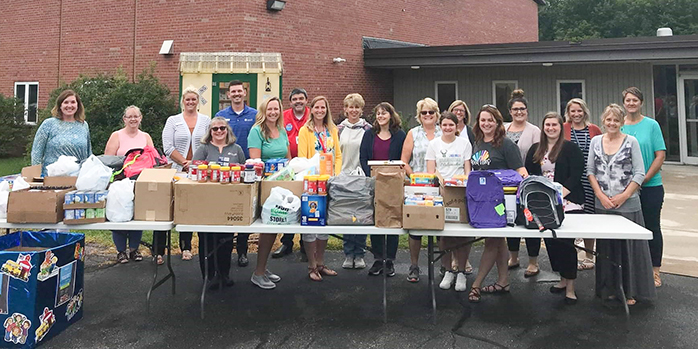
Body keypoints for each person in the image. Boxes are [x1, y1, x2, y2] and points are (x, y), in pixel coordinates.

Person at [588, 104, 656, 305]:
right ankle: (608, 289)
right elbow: (591, 170)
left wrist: (624, 196)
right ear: (603, 121)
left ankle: (629, 291)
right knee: (607, 249)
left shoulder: (631, 142)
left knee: (628, 249)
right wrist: (600, 195)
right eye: (609, 120)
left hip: (627, 205)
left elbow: (639, 173)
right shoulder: (595, 141)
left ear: (622, 122)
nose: (612, 123)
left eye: (616, 120)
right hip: (603, 204)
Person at [468, 105, 527, 303]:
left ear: (498, 123)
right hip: (481, 203)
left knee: (492, 240)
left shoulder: (506, 145)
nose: (486, 124)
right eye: (483, 120)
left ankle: (476, 284)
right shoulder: (478, 142)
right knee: (498, 241)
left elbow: (521, 172)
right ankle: (503, 281)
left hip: (500, 204)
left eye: (490, 120)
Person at [525, 112, 585, 304]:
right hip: (544, 204)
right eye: (547, 125)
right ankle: (561, 279)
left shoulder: (570, 148)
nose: (551, 128)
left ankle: (571, 287)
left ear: (561, 127)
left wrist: (559, 195)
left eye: (554, 125)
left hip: (568, 200)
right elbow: (531, 176)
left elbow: (576, 175)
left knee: (566, 244)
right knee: (551, 242)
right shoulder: (536, 149)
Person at [620, 87, 667, 288]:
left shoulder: (651, 125)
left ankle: (654, 271)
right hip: (623, 189)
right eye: (628, 100)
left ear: (641, 103)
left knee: (651, 227)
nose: (631, 103)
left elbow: (660, 154)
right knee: (627, 230)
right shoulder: (618, 125)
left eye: (635, 100)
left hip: (650, 186)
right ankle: (630, 269)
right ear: (624, 103)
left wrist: (643, 179)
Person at [193, 117, 246, 289]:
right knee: (207, 239)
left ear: (227, 130)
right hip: (206, 202)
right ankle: (208, 276)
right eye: (214, 129)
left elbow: (244, 171)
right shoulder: (204, 149)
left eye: (222, 128)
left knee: (226, 240)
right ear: (210, 132)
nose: (219, 131)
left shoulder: (236, 149)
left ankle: (224, 273)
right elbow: (194, 171)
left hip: (229, 202)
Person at [162, 86, 210, 261]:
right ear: (183, 101)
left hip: (198, 171)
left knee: (193, 207)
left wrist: (195, 164)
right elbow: (167, 146)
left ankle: (187, 246)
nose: (191, 102)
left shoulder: (205, 120)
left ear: (198, 101)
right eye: (187, 99)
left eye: (194, 99)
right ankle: (161, 249)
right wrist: (183, 162)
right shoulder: (173, 120)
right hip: (177, 169)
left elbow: (208, 145)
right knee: (172, 206)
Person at [425, 112, 472, 291]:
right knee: (444, 234)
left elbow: (468, 169)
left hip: (460, 193)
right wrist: (441, 179)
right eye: (444, 125)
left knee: (461, 234)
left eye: (451, 125)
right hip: (441, 192)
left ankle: (461, 272)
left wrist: (463, 182)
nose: (447, 128)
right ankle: (447, 270)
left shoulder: (464, 144)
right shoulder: (434, 144)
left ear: (456, 126)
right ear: (440, 126)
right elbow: (432, 169)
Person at [297, 96, 342, 281]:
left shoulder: (332, 130)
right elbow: (302, 159)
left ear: (327, 109)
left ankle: (321, 262)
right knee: (311, 222)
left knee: (324, 223)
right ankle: (311, 265)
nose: (320, 110)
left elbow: (338, 155)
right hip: (312, 183)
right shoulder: (304, 130)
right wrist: (314, 176)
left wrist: (335, 175)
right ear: (312, 109)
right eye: (317, 107)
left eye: (323, 107)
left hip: (329, 181)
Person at [359, 102, 406, 277]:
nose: (380, 116)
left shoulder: (400, 135)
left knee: (392, 219)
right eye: (378, 113)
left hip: (393, 184)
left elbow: (403, 158)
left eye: (384, 113)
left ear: (391, 115)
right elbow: (363, 157)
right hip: (374, 183)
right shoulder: (368, 135)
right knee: (377, 220)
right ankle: (378, 259)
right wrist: (370, 176)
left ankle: (390, 261)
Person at [248, 97, 290, 289]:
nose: (273, 112)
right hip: (266, 186)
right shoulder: (256, 131)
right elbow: (255, 163)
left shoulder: (281, 131)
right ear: (264, 111)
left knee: (274, 227)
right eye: (270, 109)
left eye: (276, 109)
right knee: (267, 228)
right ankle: (257, 272)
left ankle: (263, 268)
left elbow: (288, 158)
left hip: (282, 186)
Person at [103, 105, 154, 264]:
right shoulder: (116, 135)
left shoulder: (146, 136)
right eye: (129, 116)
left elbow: (153, 158)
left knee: (136, 215)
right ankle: (120, 251)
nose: (133, 119)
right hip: (120, 182)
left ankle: (134, 249)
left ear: (141, 118)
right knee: (119, 215)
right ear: (124, 119)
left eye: (136, 116)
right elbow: (108, 160)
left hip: (140, 181)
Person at [215, 80, 258, 266]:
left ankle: (242, 251)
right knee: (226, 209)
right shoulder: (221, 115)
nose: (236, 94)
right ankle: (225, 250)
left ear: (244, 92)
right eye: (233, 91)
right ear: (228, 94)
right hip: (226, 169)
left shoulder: (255, 114)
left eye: (239, 91)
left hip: (248, 168)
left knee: (244, 210)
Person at [400, 98, 442, 280]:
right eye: (424, 113)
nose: (427, 116)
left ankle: (445, 266)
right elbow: (404, 161)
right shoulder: (413, 133)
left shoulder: (445, 132)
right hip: (417, 186)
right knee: (415, 228)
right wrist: (414, 177)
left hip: (439, 187)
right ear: (419, 115)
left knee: (441, 228)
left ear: (436, 114)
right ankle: (414, 265)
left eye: (431, 112)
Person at [504, 89, 542, 277]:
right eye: (515, 109)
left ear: (527, 111)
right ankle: (513, 257)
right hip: (507, 184)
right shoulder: (502, 130)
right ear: (510, 111)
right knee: (511, 219)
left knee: (530, 219)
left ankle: (533, 262)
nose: (519, 112)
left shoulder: (535, 131)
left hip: (528, 182)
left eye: (522, 109)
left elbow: (538, 157)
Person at [563, 98, 602, 271]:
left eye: (579, 111)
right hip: (571, 179)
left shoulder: (594, 129)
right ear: (568, 113)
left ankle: (588, 256)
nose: (576, 114)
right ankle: (569, 257)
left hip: (590, 178)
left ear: (584, 111)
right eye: (573, 111)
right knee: (571, 216)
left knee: (589, 216)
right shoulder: (564, 128)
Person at [273, 88, 310, 259]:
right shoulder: (284, 116)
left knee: (306, 202)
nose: (298, 101)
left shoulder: (313, 114)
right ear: (290, 102)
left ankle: (305, 244)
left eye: (301, 98)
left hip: (309, 166)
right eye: (295, 99)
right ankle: (286, 243)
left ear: (306, 100)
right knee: (287, 202)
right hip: (287, 166)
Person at [339, 93, 372, 269]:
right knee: (346, 216)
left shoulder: (368, 129)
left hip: (362, 179)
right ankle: (348, 253)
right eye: (350, 107)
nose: (353, 110)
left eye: (357, 107)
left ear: (361, 109)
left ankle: (359, 254)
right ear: (345, 109)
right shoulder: (338, 129)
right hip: (343, 178)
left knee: (360, 217)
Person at [31, 89, 92, 176]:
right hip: (52, 178)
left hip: (77, 178)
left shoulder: (83, 125)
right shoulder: (49, 124)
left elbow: (88, 153)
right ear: (60, 105)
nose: (69, 105)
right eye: (66, 102)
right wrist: (36, 176)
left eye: (73, 102)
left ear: (78, 105)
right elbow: (36, 153)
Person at [447, 100, 476, 274]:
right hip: (448, 183)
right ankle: (452, 259)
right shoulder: (445, 131)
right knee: (450, 225)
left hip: (465, 182)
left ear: (465, 114)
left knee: (465, 224)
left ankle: (465, 260)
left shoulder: (471, 133)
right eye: (455, 110)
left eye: (461, 110)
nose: (458, 113)